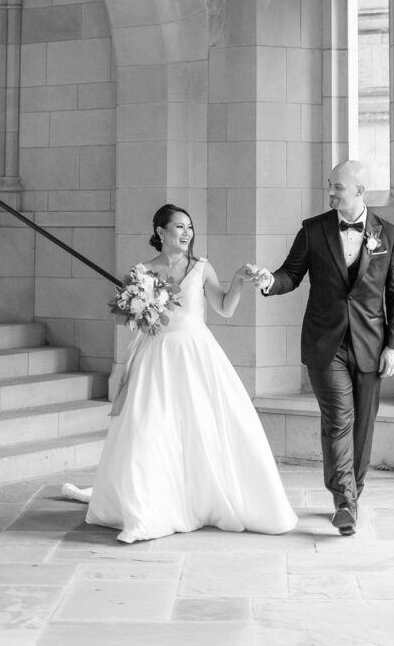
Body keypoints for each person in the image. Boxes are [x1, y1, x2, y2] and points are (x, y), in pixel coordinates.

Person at [61, 203, 297, 543]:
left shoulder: (201, 267)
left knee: (203, 425)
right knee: (149, 429)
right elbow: (130, 320)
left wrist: (240, 282)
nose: (186, 233)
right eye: (178, 227)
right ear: (160, 232)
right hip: (157, 355)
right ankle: (146, 508)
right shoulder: (142, 271)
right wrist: (140, 309)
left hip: (197, 352)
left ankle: (200, 499)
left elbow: (225, 309)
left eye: (189, 227)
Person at [252, 160, 394, 537]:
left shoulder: (389, 234)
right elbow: (292, 273)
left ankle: (351, 493)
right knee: (339, 418)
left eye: (338, 187)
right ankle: (344, 502)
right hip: (325, 344)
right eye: (330, 186)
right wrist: (270, 280)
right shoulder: (313, 230)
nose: (331, 192)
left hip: (371, 345)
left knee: (362, 428)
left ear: (360, 192)